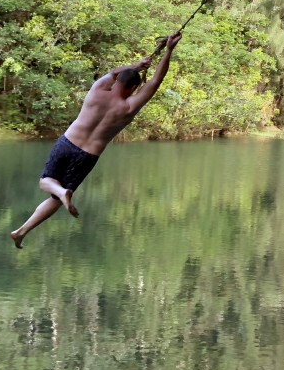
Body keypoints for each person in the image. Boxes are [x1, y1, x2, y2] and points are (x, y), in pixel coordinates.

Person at [10, 32, 183, 248]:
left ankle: (23, 229)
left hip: (68, 142)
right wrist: (168, 50)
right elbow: (156, 81)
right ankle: (48, 207)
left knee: (46, 182)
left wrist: (137, 66)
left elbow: (113, 72)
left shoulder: (97, 91)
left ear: (118, 80)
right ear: (133, 89)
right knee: (56, 196)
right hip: (87, 155)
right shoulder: (128, 107)